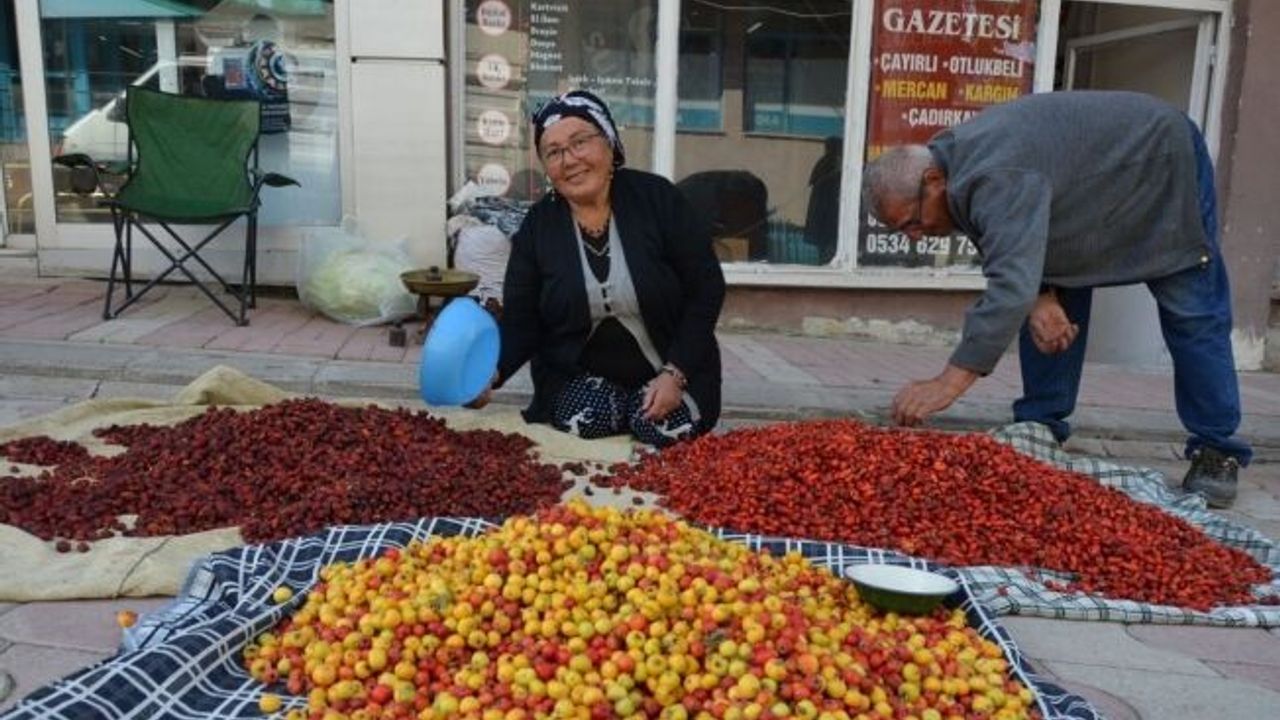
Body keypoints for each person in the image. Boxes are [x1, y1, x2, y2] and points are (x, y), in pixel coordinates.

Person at [862, 91, 1251, 507]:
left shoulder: (993, 173)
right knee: (1046, 307)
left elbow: (1010, 287)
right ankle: (1041, 424)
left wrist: (948, 382)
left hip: (1159, 160)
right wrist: (1040, 296)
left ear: (932, 182)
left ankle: (1218, 449)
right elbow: (1008, 249)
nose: (914, 237)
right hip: (1083, 193)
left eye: (912, 223)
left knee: (1191, 308)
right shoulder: (952, 166)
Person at [468, 90, 725, 447]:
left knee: (664, 427)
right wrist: (490, 374)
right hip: (582, 380)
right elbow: (522, 321)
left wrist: (676, 373)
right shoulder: (538, 228)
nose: (569, 160)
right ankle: (620, 408)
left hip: (671, 369)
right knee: (584, 419)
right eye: (553, 152)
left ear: (609, 142)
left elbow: (706, 288)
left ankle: (646, 402)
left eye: (579, 142)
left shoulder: (657, 200)